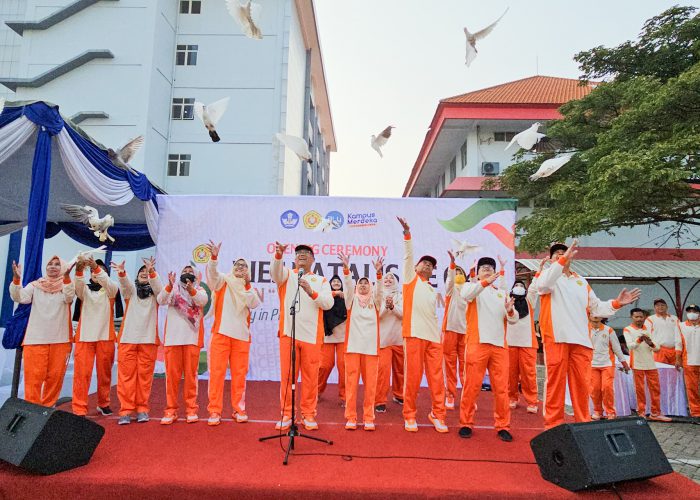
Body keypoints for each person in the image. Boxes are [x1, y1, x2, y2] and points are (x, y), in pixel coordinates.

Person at [537, 240, 640, 429]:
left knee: (582, 386)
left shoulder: (580, 281)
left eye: (563, 252)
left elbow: (596, 307)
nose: (560, 255)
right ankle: (553, 426)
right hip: (557, 336)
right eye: (556, 254)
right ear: (551, 259)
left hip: (581, 340)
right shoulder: (548, 276)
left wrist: (617, 303)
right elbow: (542, 286)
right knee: (555, 384)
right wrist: (560, 263)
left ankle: (583, 423)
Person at [271, 242, 334, 431]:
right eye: (299, 253)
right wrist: (278, 256)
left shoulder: (321, 280)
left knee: (310, 378)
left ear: (313, 259)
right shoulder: (287, 274)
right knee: (287, 377)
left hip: (312, 337)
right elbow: (275, 273)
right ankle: (287, 414)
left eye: (307, 253)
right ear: (294, 258)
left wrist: (310, 291)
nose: (302, 255)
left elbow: (328, 303)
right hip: (288, 334)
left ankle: (308, 414)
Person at [458, 255, 518, 441]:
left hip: (499, 345)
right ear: (477, 272)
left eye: (490, 268)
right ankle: (466, 422)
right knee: (472, 386)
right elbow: (466, 294)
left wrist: (509, 309)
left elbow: (513, 319)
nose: (487, 270)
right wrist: (484, 282)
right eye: (483, 267)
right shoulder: (473, 288)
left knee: (501, 389)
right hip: (478, 343)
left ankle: (502, 425)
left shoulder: (501, 293)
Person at [396, 217, 447, 433]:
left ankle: (438, 414)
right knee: (414, 378)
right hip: (414, 335)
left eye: (431, 265)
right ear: (416, 267)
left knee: (437, 380)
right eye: (424, 263)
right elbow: (408, 256)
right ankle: (409, 415)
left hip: (433, 338)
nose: (427, 265)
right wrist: (407, 233)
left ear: (433, 271)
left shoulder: (432, 289)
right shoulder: (410, 281)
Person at [205, 243, 262, 426]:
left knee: (239, 376)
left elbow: (253, 303)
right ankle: (214, 410)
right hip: (221, 334)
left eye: (244, 266)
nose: (240, 267)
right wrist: (214, 258)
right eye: (237, 264)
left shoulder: (249, 288)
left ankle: (239, 409)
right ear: (232, 267)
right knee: (217, 374)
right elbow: (212, 276)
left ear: (248, 271)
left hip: (242, 337)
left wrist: (246, 283)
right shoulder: (223, 281)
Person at [9, 256, 74, 407]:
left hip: (60, 340)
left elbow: (69, 297)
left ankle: (47, 410)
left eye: (57, 264)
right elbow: (20, 297)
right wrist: (17, 280)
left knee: (55, 378)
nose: (53, 266)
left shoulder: (67, 286)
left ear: (63, 268)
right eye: (50, 264)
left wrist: (66, 278)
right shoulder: (36, 285)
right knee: (33, 379)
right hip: (35, 340)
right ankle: (32, 412)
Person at [112, 257, 163, 424]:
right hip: (128, 339)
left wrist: (152, 271)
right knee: (126, 377)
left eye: (146, 272)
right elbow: (125, 284)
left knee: (144, 377)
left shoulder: (156, 294)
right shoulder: (131, 291)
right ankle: (126, 410)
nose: (144, 274)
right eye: (141, 272)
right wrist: (121, 272)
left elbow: (160, 288)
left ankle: (142, 409)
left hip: (148, 340)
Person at [157, 265, 208, 424]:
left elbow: (202, 301)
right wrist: (169, 285)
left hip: (191, 339)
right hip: (173, 339)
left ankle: (191, 409)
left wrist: (192, 288)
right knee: (172, 378)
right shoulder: (173, 290)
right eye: (185, 271)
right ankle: (171, 410)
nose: (187, 274)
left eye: (190, 272)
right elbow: (161, 300)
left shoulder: (199, 290)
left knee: (191, 377)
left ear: (195, 277)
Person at [339, 252, 383, 430]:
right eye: (360, 283)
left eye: (366, 283)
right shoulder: (351, 301)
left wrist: (379, 274)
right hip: (353, 348)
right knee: (351, 385)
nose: (363, 286)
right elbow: (348, 286)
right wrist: (347, 269)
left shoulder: (376, 301)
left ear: (370, 286)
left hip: (371, 350)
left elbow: (380, 290)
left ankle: (368, 418)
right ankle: (351, 417)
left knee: (370, 386)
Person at [72, 257, 118, 416]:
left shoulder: (111, 290)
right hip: (85, 337)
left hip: (105, 337)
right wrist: (78, 270)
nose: (96, 273)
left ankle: (103, 403)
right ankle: (79, 407)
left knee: (104, 374)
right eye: (92, 271)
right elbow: (77, 286)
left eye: (100, 271)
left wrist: (96, 267)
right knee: (82, 375)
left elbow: (110, 284)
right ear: (89, 275)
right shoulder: (84, 290)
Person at [623, 308, 671, 421]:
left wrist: (650, 343)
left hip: (650, 363)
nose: (639, 319)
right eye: (636, 317)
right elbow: (630, 346)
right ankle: (642, 412)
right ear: (632, 317)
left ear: (644, 317)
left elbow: (657, 348)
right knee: (640, 390)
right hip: (637, 364)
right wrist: (640, 340)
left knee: (655, 388)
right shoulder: (627, 329)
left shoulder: (649, 329)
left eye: (641, 317)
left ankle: (655, 413)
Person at [506, 272, 541, 414]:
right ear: (512, 289)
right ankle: (511, 398)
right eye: (516, 285)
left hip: (528, 342)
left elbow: (534, 287)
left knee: (529, 374)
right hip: (510, 342)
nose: (519, 287)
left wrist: (538, 272)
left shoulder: (530, 301)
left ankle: (532, 401)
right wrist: (502, 272)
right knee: (510, 374)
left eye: (521, 286)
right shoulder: (508, 301)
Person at [589, 314, 629, 420]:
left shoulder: (609, 330)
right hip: (592, 364)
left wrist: (624, 363)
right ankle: (598, 411)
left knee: (606, 388)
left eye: (597, 321)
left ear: (601, 318)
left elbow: (616, 347)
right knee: (595, 389)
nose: (595, 323)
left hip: (607, 364)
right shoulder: (586, 329)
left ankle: (610, 412)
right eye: (593, 321)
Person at [442, 254, 468, 410]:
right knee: (450, 365)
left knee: (466, 366)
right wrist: (452, 264)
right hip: (450, 330)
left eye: (461, 272)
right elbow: (450, 281)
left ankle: (467, 395)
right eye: (455, 272)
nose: (458, 275)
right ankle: (450, 395)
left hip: (466, 332)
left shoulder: (471, 290)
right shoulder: (450, 291)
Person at [375, 271, 404, 413]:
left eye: (391, 278)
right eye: (386, 278)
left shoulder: (401, 296)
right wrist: (387, 307)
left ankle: (399, 395)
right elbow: (377, 316)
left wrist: (393, 306)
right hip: (383, 340)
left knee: (400, 370)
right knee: (382, 372)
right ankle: (380, 400)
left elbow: (403, 314)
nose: (388, 279)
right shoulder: (378, 295)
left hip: (399, 339)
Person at [318, 274, 347, 406]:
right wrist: (335, 293)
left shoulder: (346, 297)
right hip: (327, 337)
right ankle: (316, 391)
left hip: (343, 338)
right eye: (333, 281)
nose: (336, 282)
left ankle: (345, 397)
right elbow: (319, 298)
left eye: (338, 281)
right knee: (325, 365)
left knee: (344, 367)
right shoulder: (326, 297)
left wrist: (342, 294)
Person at [677, 304, 700, 418]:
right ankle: (696, 413)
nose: (692, 313)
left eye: (694, 311)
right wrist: (678, 359)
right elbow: (678, 343)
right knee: (692, 388)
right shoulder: (681, 326)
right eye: (690, 311)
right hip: (689, 361)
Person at [645, 299, 683, 365]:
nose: (660, 307)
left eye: (662, 305)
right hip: (659, 350)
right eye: (657, 305)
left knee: (676, 372)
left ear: (667, 307)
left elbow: (681, 334)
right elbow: (647, 336)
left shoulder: (675, 318)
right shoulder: (650, 319)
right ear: (654, 308)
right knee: (660, 372)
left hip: (675, 351)